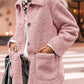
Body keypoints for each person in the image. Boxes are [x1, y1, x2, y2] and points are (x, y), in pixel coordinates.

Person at [7, 0, 79, 84]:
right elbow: (24, 31)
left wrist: (52, 47)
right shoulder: (20, 4)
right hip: (19, 66)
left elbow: (71, 29)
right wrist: (13, 41)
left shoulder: (52, 2)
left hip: (43, 66)